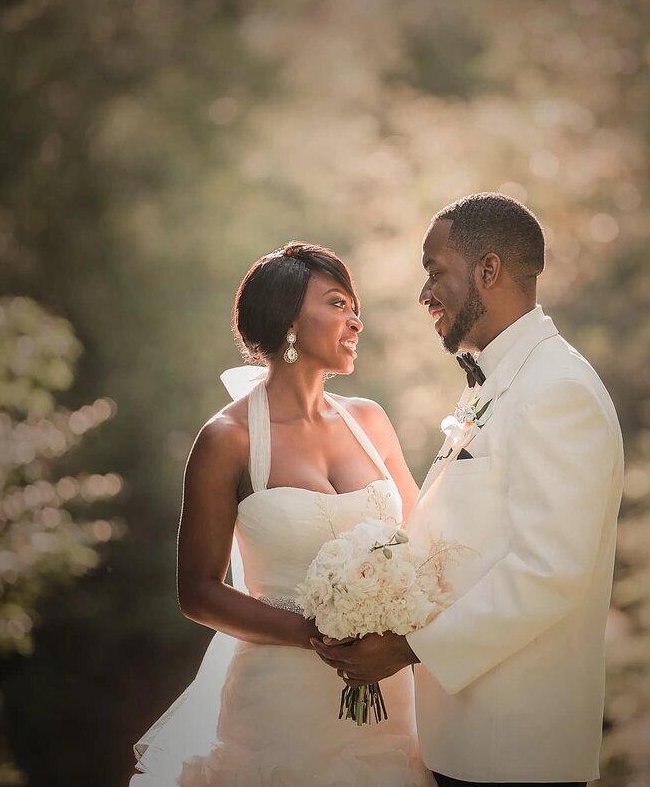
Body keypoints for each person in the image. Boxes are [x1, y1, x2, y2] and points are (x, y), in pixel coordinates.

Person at [313, 193, 625, 786]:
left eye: (435, 271)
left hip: (516, 751)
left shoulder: (559, 390)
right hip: (463, 741)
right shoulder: (499, 382)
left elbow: (548, 570)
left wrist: (410, 647)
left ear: (488, 270)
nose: (424, 293)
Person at [131, 242, 432, 786]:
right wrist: (317, 634)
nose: (356, 320)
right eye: (338, 303)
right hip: (278, 708)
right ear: (289, 318)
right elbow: (197, 591)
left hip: (390, 700)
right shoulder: (228, 439)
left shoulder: (371, 422)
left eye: (354, 306)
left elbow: (425, 539)